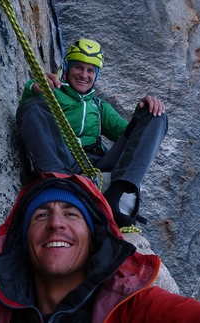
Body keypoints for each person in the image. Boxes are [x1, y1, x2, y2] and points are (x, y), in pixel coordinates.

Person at [0, 172, 200, 323]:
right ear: (22, 245)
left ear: (94, 240)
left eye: (71, 214)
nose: (55, 223)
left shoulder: (133, 307)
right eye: (41, 215)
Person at [16, 38, 168, 228]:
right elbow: (29, 110)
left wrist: (143, 111)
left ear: (96, 76)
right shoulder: (52, 91)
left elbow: (131, 135)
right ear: (67, 68)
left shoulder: (99, 106)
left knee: (156, 115)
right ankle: (62, 188)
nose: (84, 75)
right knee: (33, 107)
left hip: (97, 166)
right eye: (78, 67)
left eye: (90, 70)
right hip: (62, 161)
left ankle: (116, 195)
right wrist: (34, 89)